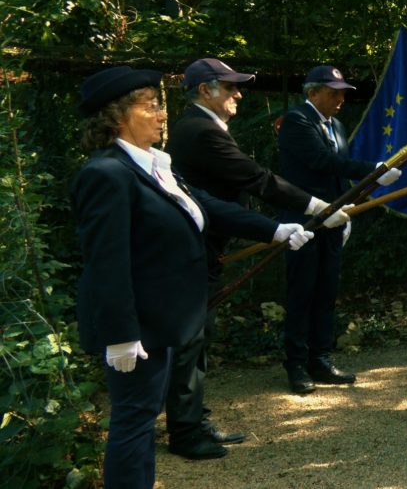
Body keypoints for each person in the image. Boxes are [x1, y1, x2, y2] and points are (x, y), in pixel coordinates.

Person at [70, 66, 313, 487]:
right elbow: (106, 262)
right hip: (138, 326)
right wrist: (121, 334)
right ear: (117, 116)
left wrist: (275, 230)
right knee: (133, 420)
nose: (162, 116)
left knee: (142, 418)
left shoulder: (152, 166)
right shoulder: (105, 173)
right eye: (151, 107)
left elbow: (205, 205)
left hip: (164, 318)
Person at [161, 58, 351, 459]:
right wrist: (316, 207)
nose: (238, 94)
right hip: (196, 245)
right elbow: (256, 179)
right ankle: (185, 430)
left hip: (206, 243)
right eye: (229, 87)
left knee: (198, 337)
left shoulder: (203, 127)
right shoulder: (199, 131)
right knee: (192, 340)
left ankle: (191, 421)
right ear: (203, 91)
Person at [276, 65, 401, 394]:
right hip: (304, 220)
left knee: (326, 292)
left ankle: (321, 358)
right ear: (313, 93)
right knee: (302, 292)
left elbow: (338, 176)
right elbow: (321, 161)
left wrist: (349, 211)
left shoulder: (338, 127)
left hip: (333, 220)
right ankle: (296, 365)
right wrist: (372, 172)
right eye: (334, 93)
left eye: (343, 93)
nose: (341, 99)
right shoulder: (297, 121)